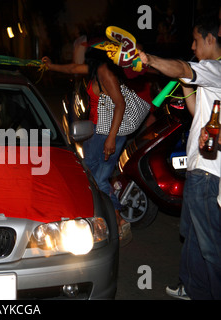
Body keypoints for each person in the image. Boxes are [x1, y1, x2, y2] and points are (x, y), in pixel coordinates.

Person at [139, 13, 221, 300]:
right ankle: (192, 287)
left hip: (209, 172)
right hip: (200, 169)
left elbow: (183, 66)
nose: (193, 45)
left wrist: (149, 59)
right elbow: (194, 108)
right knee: (191, 234)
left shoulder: (215, 67)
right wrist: (186, 80)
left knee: (210, 245)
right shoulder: (211, 75)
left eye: (197, 40)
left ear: (211, 39)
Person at [42, 48, 132, 246]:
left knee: (96, 178)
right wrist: (51, 66)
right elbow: (73, 68)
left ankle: (118, 221)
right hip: (99, 133)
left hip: (106, 134)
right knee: (94, 178)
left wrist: (110, 138)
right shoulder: (97, 69)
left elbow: (120, 104)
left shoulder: (105, 73)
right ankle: (115, 220)